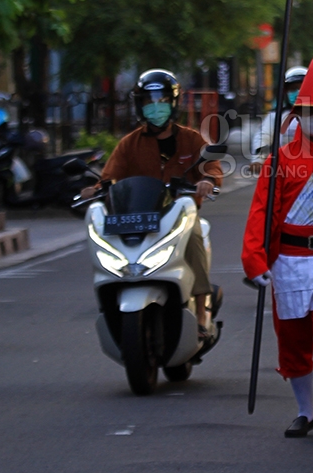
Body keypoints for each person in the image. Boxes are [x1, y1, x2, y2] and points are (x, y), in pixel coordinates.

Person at [241, 54, 313, 444]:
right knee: (293, 339)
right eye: (308, 111)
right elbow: (261, 213)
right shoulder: (280, 161)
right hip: (289, 262)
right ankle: (304, 411)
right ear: (295, 115)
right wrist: (254, 259)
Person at [83, 69, 221, 338]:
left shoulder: (192, 139)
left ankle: (202, 311)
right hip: (138, 217)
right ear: (140, 106)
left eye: (161, 101)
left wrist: (208, 180)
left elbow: (212, 167)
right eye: (149, 101)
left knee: (194, 238)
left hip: (177, 216)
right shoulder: (129, 144)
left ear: (173, 104)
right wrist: (96, 189)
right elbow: (110, 178)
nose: (155, 107)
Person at [250, 66, 307, 169]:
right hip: (284, 170)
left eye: (302, 87)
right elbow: (263, 136)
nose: (298, 92)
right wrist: (259, 159)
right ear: (285, 92)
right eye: (293, 89)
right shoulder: (276, 117)